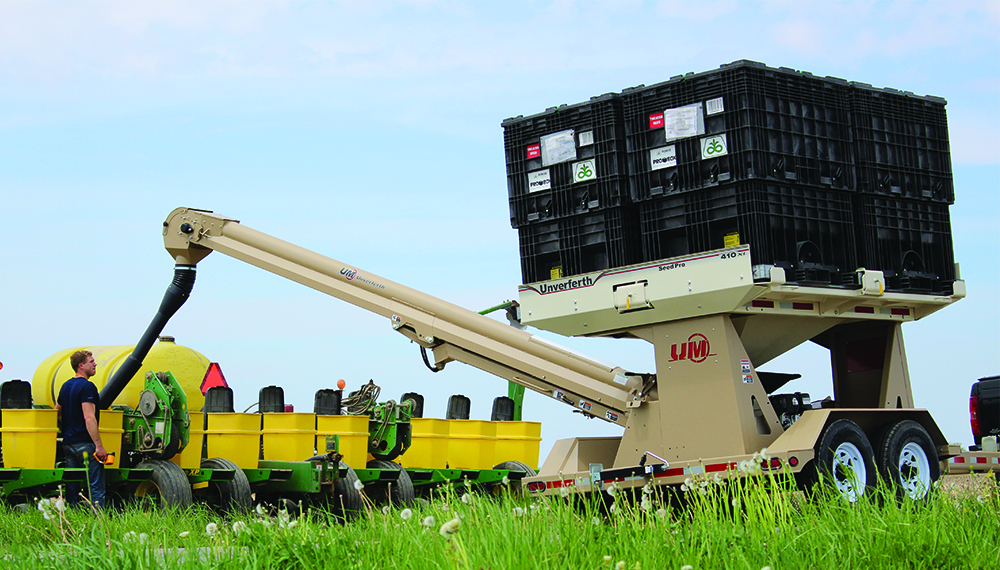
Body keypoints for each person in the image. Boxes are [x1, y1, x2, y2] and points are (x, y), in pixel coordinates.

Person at [56, 350, 108, 508]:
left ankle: (72, 517)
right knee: (96, 486)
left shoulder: (66, 385)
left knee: (72, 485)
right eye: (91, 361)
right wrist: (99, 446)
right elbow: (89, 417)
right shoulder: (87, 387)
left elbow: (56, 411)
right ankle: (99, 519)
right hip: (85, 443)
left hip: (68, 444)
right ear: (81, 365)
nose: (95, 364)